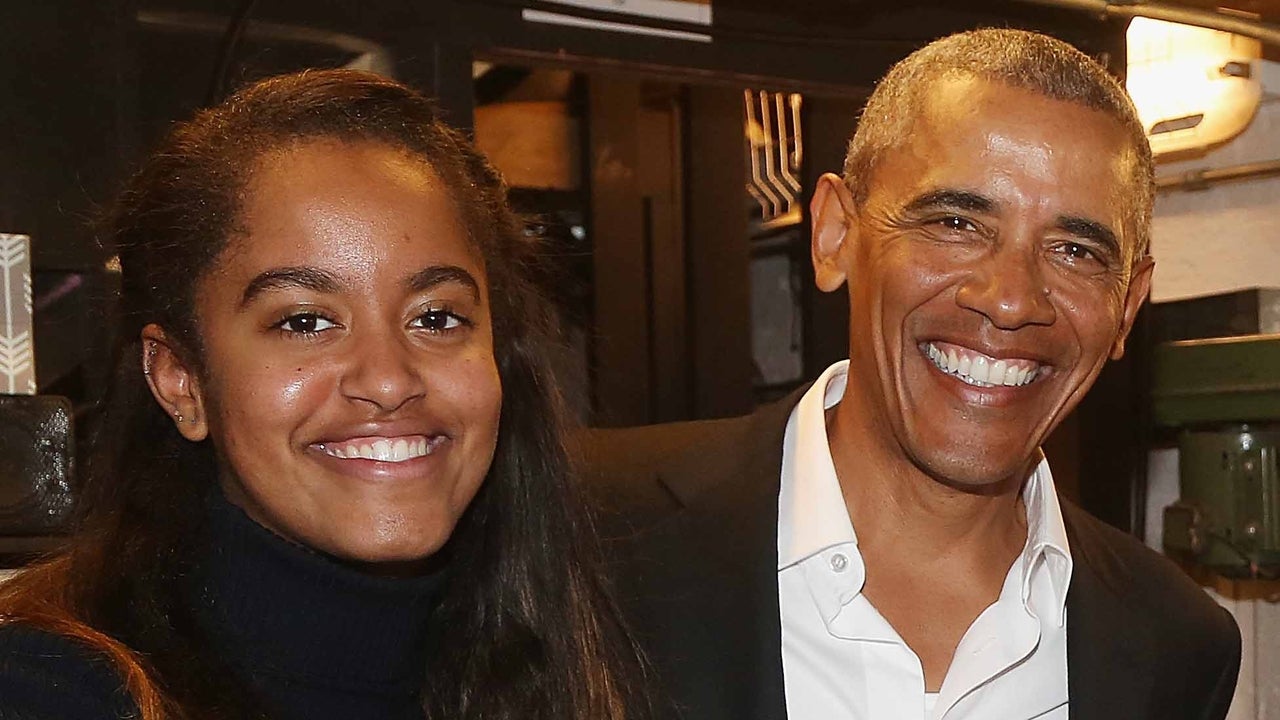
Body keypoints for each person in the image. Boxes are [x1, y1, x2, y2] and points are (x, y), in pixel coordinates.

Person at [581, 28, 1241, 720]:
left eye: (1076, 251)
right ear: (836, 235)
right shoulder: (587, 532)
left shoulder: (1176, 647)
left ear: (1127, 306)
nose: (1012, 300)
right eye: (956, 222)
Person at [0, 69, 652, 720]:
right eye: (305, 322)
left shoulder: (564, 664)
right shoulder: (48, 693)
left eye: (436, 317)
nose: (389, 381)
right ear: (181, 379)